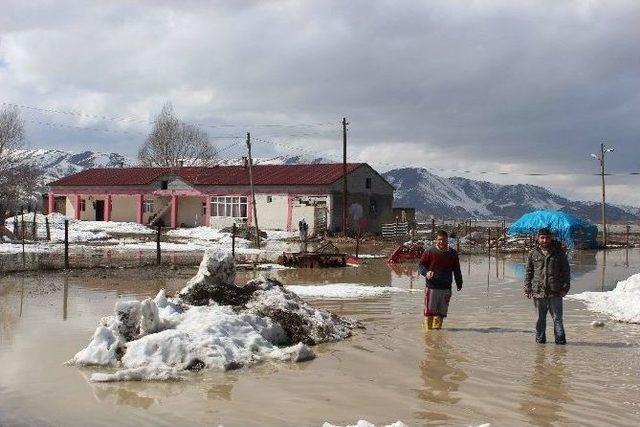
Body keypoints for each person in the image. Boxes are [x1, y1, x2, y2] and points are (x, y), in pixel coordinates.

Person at [524, 227, 571, 344]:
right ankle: (540, 344)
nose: (545, 240)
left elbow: (566, 271)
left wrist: (565, 287)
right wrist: (527, 287)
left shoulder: (559, 253)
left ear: (551, 238)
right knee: (540, 319)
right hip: (538, 291)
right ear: (538, 238)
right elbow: (529, 272)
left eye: (547, 238)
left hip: (555, 291)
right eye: (542, 238)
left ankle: (560, 344)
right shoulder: (532, 253)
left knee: (557, 319)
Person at [418, 230, 463, 330]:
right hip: (432, 288)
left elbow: (457, 270)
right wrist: (426, 273)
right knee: (429, 314)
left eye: (444, 240)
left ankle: (437, 338)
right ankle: (428, 337)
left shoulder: (453, 253)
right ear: (436, 240)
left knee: (440, 315)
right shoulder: (429, 251)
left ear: (447, 241)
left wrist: (459, 283)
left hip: (446, 288)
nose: (441, 242)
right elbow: (421, 266)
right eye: (439, 240)